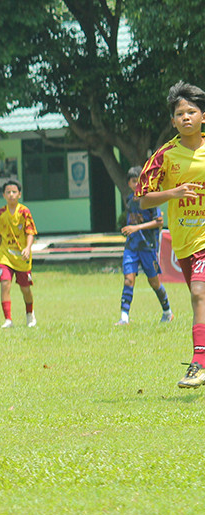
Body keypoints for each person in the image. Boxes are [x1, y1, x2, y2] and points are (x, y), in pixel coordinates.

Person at [136, 80, 205, 389]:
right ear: (173, 121)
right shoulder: (164, 156)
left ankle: (198, 363)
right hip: (184, 240)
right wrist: (174, 192)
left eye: (192, 111)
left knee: (198, 294)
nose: (186, 117)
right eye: (181, 113)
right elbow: (143, 198)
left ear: (203, 116)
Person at [115, 166, 172, 326]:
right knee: (128, 280)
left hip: (148, 246)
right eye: (133, 181)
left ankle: (167, 312)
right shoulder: (128, 199)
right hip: (132, 246)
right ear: (129, 183)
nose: (136, 184)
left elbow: (159, 222)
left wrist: (136, 228)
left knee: (154, 282)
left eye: (139, 180)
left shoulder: (150, 198)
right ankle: (124, 317)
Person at [0, 179, 37, 328]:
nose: (11, 195)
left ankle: (30, 314)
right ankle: (8, 320)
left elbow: (30, 232)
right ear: (3, 195)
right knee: (5, 284)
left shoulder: (24, 212)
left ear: (19, 194)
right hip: (6, 256)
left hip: (22, 257)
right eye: (8, 192)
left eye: (14, 192)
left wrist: (28, 247)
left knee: (25, 289)